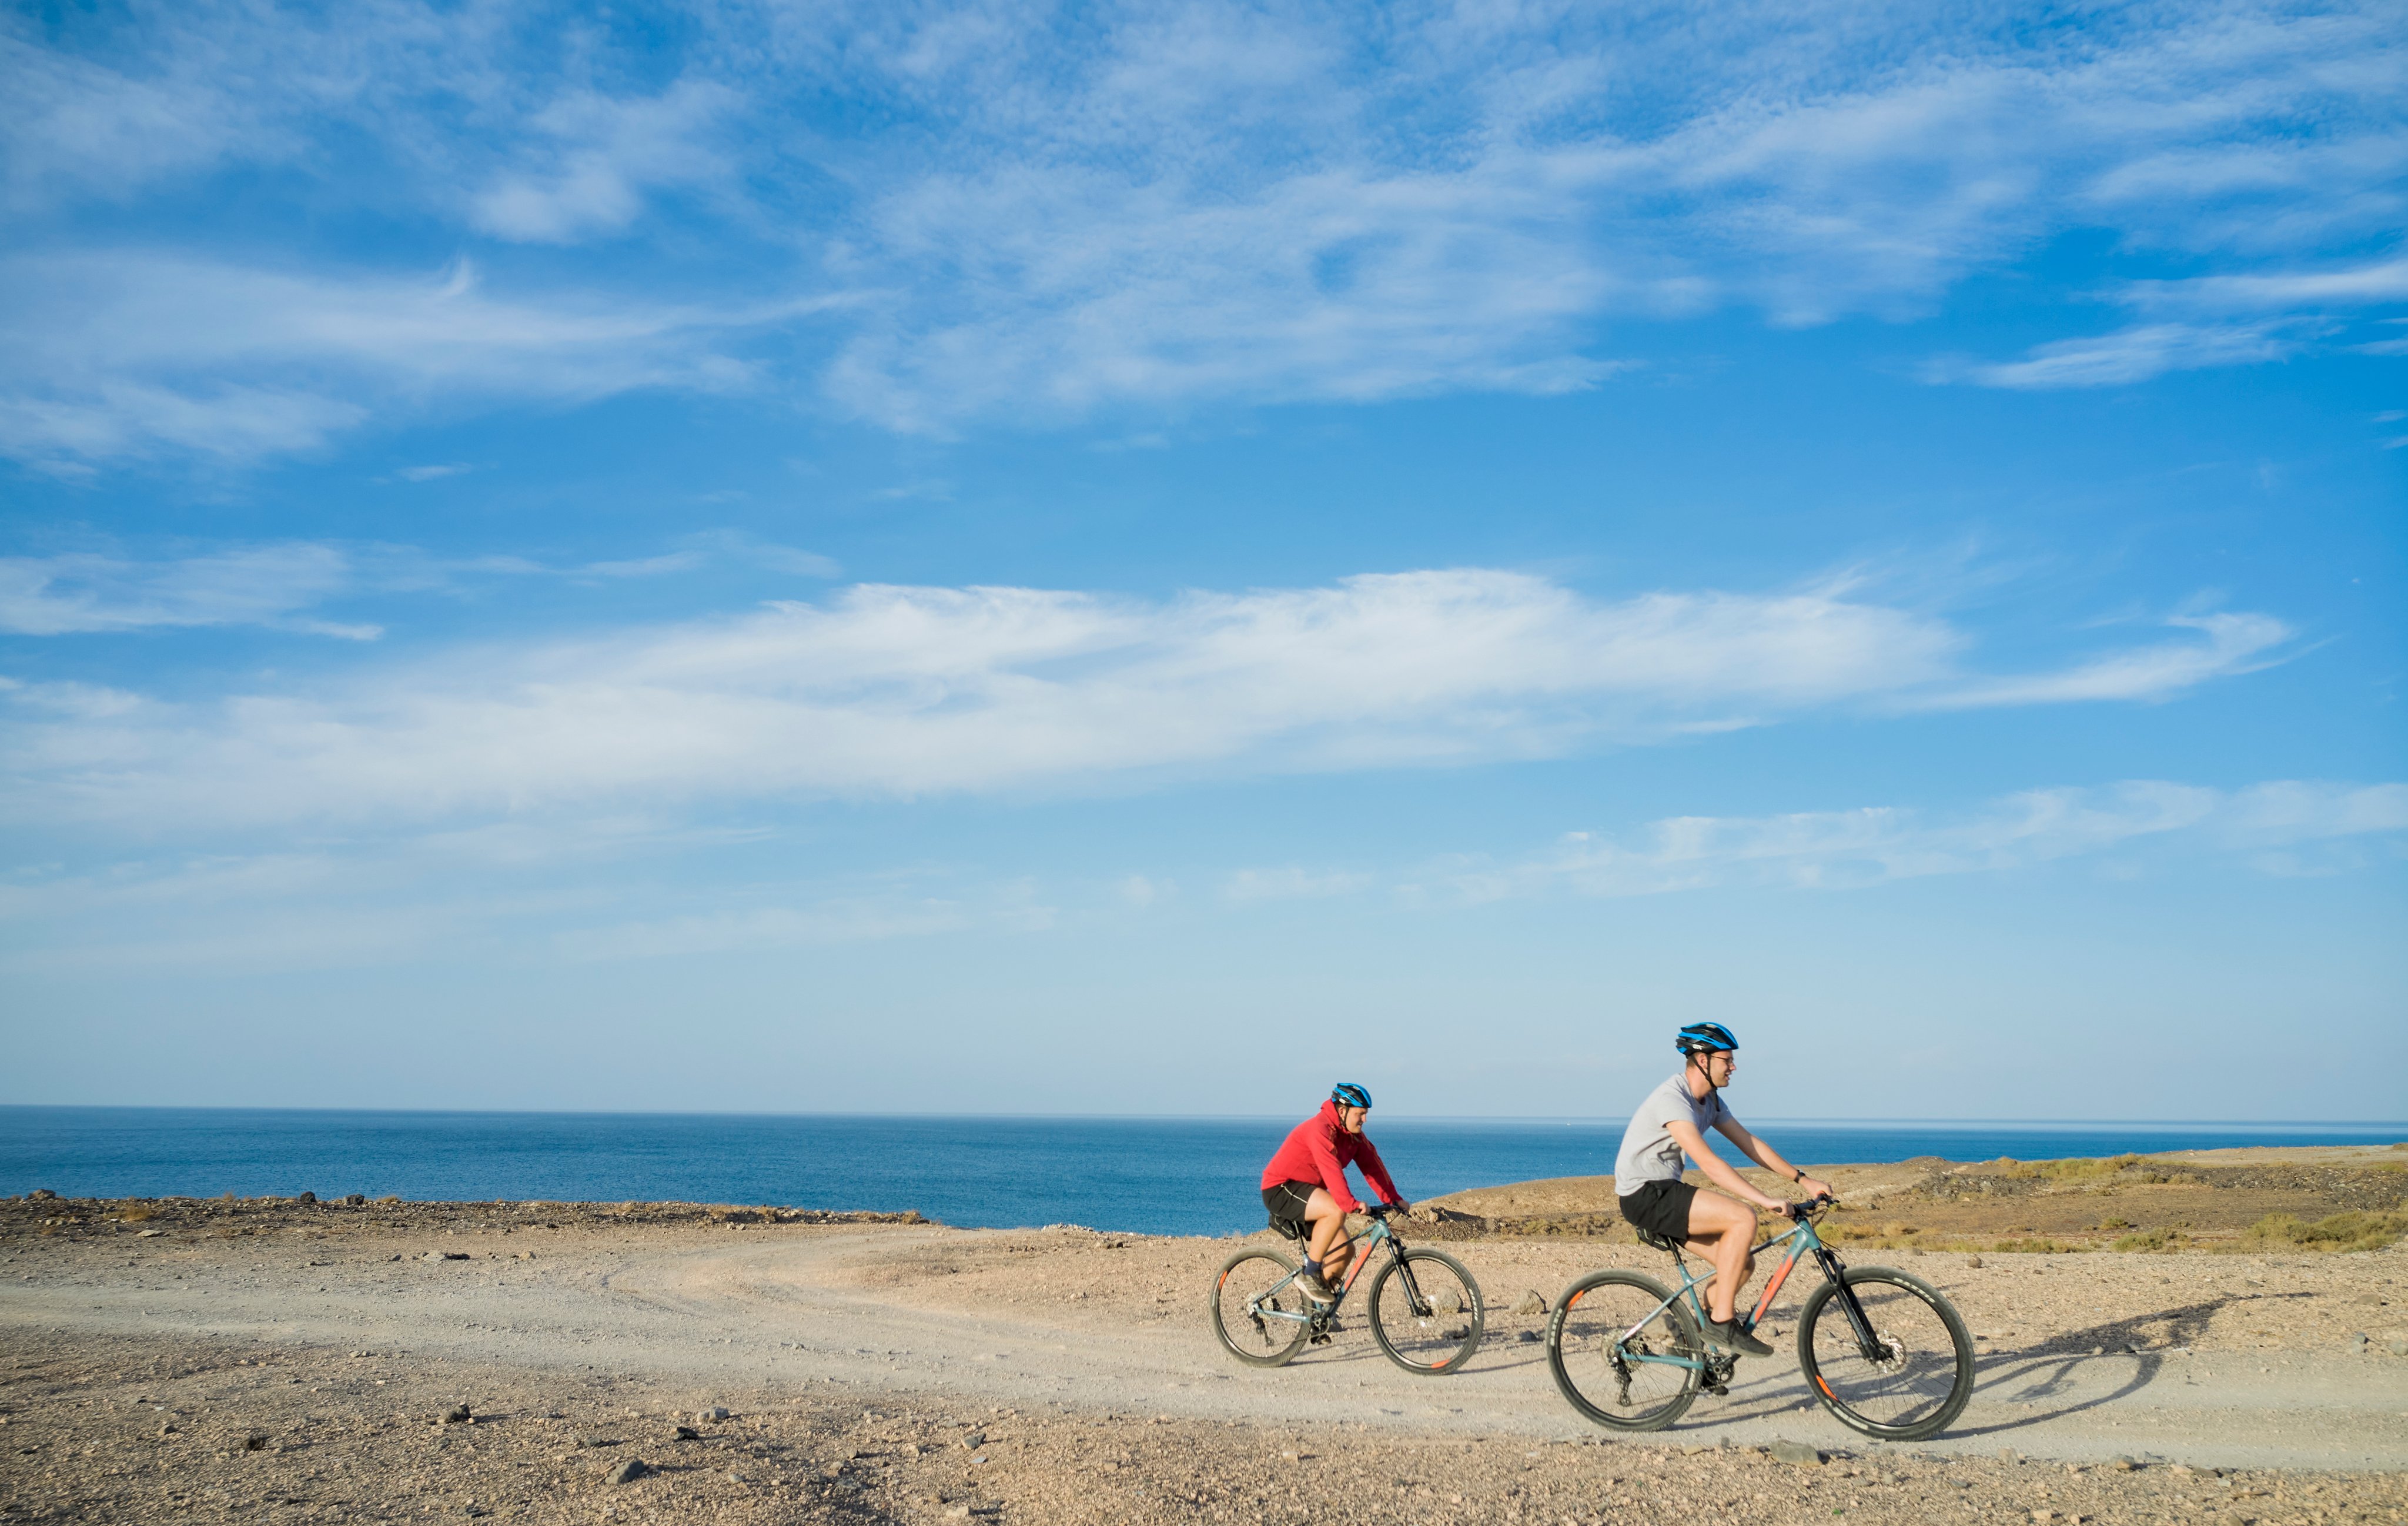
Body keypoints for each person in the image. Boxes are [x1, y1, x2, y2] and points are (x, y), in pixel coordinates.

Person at [1614, 1023, 1831, 1357]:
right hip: (1645, 1194)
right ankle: (1722, 1323)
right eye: (1727, 1060)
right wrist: (1763, 1201)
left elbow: (1750, 1144)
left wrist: (1803, 1179)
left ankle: (1696, 1345)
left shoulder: (1711, 1100)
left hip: (1665, 1189)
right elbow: (1709, 1163)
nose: (1733, 1067)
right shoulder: (1673, 1099)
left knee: (1741, 1264)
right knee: (1743, 1218)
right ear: (1703, 1060)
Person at [1259, 1084, 1412, 1305]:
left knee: (1347, 1250)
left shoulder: (1353, 1137)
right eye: (1360, 1114)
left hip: (1310, 1192)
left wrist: (1393, 1199)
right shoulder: (1320, 1129)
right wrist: (1349, 1203)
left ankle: (1319, 1314)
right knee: (1336, 1210)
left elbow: (1373, 1167)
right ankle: (1310, 1273)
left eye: (1366, 1114)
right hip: (1281, 1188)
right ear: (1343, 1112)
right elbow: (1331, 1169)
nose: (1365, 1120)